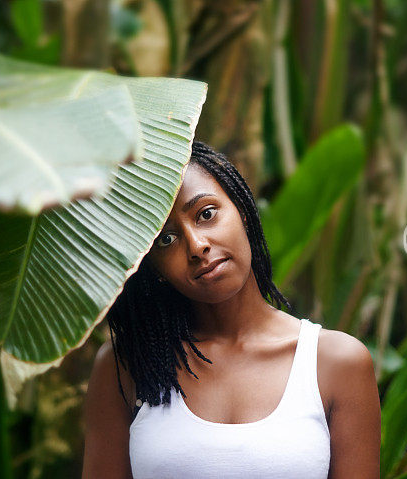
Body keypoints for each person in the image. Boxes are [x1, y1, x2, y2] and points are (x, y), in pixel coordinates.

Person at [82, 141, 381, 478]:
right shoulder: (126, 365)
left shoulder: (336, 362)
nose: (197, 246)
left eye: (206, 214)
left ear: (242, 210)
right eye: (166, 239)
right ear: (152, 265)